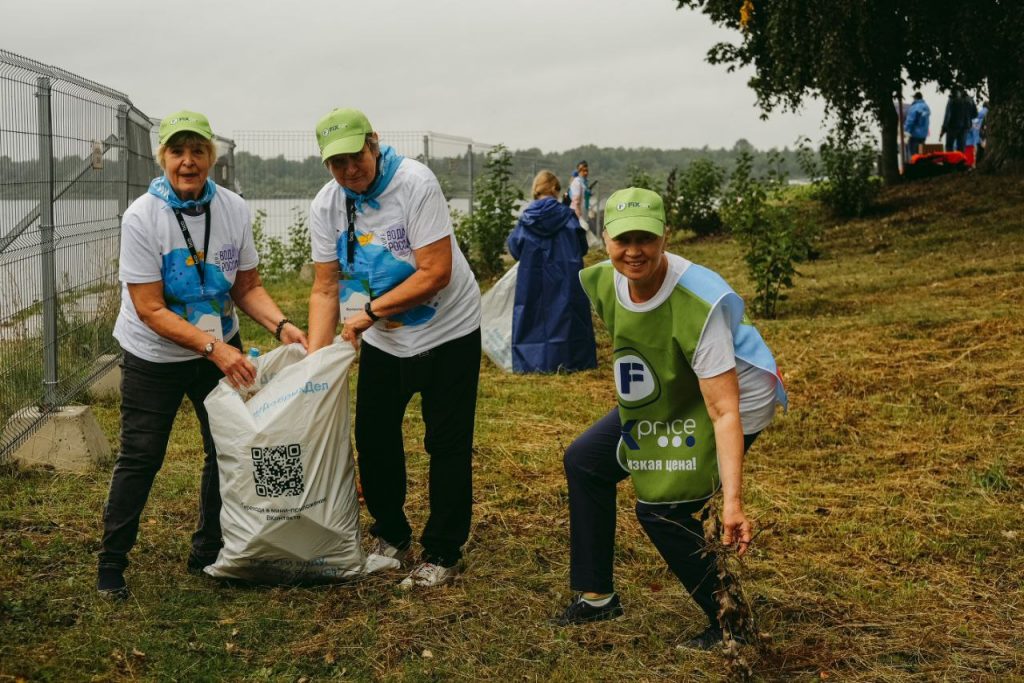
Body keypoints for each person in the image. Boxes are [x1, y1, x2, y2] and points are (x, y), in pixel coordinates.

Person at [554, 188, 787, 650]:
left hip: (735, 397)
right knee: (586, 460)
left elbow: (723, 410)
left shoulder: (697, 305)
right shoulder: (605, 281)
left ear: (666, 237)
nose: (634, 251)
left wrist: (733, 502)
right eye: (623, 239)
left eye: (646, 238)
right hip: (677, 387)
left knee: (664, 508)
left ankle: (731, 624)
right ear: (605, 238)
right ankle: (597, 597)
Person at [98, 110, 308, 598]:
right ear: (163, 159)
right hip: (155, 354)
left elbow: (247, 286)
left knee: (229, 449)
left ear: (211, 158)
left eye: (198, 151)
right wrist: (215, 350)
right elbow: (149, 308)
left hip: (219, 344)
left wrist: (282, 326)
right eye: (177, 151)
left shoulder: (233, 208)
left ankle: (209, 549)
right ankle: (112, 564)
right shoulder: (142, 217)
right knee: (142, 455)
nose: (188, 162)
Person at [306, 108, 482, 589]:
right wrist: (314, 366)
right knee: (375, 435)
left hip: (450, 330)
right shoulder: (326, 205)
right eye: (336, 164)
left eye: (354, 157)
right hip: (385, 336)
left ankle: (443, 550)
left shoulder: (415, 184)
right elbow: (324, 289)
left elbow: (435, 271)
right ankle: (392, 534)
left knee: (445, 443)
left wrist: (371, 313)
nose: (348, 171)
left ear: (374, 143)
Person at [505, 171, 597, 374]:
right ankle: (572, 361)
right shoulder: (568, 216)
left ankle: (532, 362)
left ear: (536, 190)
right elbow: (583, 247)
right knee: (568, 316)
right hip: (566, 275)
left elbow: (515, 248)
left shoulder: (526, 219)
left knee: (532, 316)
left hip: (533, 277)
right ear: (555, 189)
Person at [941, 89, 978, 153]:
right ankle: (960, 162)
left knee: (949, 146)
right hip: (965, 127)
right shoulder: (970, 100)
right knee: (961, 147)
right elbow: (975, 114)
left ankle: (950, 162)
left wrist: (944, 128)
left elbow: (948, 115)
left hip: (952, 126)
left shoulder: (952, 99)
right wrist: (968, 118)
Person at [904, 92, 930, 161]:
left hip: (914, 135)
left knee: (914, 156)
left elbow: (910, 121)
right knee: (922, 155)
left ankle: (914, 170)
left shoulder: (914, 107)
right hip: (923, 135)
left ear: (915, 98)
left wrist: (906, 132)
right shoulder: (926, 107)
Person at [568, 161, 592, 229]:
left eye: (587, 170)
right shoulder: (577, 182)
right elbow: (576, 200)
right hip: (577, 215)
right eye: (583, 171)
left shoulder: (584, 182)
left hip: (584, 214)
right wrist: (579, 216)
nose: (586, 173)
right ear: (578, 171)